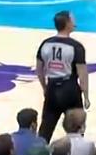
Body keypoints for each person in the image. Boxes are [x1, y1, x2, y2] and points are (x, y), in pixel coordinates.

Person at [35, 11, 90, 142]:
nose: (75, 22)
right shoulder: (76, 46)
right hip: (70, 89)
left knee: (45, 129)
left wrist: (45, 88)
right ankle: (77, 153)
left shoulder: (45, 44)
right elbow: (83, 75)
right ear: (67, 23)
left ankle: (38, 152)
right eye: (73, 20)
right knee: (76, 130)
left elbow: (39, 70)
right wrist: (86, 96)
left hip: (52, 88)